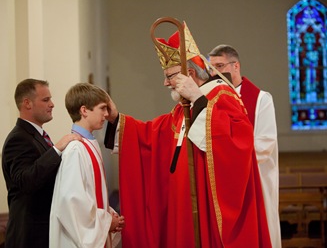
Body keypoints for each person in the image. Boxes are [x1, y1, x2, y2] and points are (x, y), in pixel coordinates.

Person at [104, 23, 271, 247]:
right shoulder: (184, 107)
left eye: (170, 76)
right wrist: (117, 119)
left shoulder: (222, 97)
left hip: (206, 207)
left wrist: (199, 100)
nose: (165, 83)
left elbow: (238, 142)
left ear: (190, 74)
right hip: (180, 203)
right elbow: (153, 134)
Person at [208, 44, 281, 247]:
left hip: (253, 179)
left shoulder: (261, 100)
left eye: (220, 65)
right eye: (211, 67)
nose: (215, 73)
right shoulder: (211, 101)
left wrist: (230, 161)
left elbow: (265, 144)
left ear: (236, 66)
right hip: (224, 185)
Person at [2, 78, 80, 248]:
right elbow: (25, 181)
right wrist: (57, 149)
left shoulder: (36, 135)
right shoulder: (18, 139)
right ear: (27, 103)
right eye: (46, 100)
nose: (52, 104)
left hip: (41, 228)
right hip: (30, 233)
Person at [50, 83, 125, 248]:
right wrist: (105, 222)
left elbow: (91, 193)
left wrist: (109, 214)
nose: (107, 114)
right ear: (84, 110)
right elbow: (71, 202)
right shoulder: (76, 149)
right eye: (102, 108)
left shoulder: (88, 143)